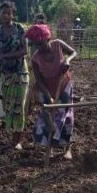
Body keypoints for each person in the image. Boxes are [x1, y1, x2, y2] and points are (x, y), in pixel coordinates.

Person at [27, 24, 77, 159]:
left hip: (64, 85)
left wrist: (67, 59)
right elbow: (39, 80)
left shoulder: (58, 44)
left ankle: (67, 147)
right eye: (36, 45)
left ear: (48, 39)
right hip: (46, 88)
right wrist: (48, 96)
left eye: (41, 44)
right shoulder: (36, 58)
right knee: (47, 120)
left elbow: (73, 52)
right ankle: (49, 149)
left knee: (64, 116)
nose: (40, 48)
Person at [0, 1, 29, 148]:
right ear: (0, 15)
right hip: (5, 73)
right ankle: (11, 139)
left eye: (9, 13)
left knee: (18, 106)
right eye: (4, 13)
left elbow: (24, 51)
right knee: (8, 106)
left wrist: (4, 57)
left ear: (13, 14)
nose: (6, 15)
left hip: (19, 72)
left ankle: (18, 140)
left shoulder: (19, 29)